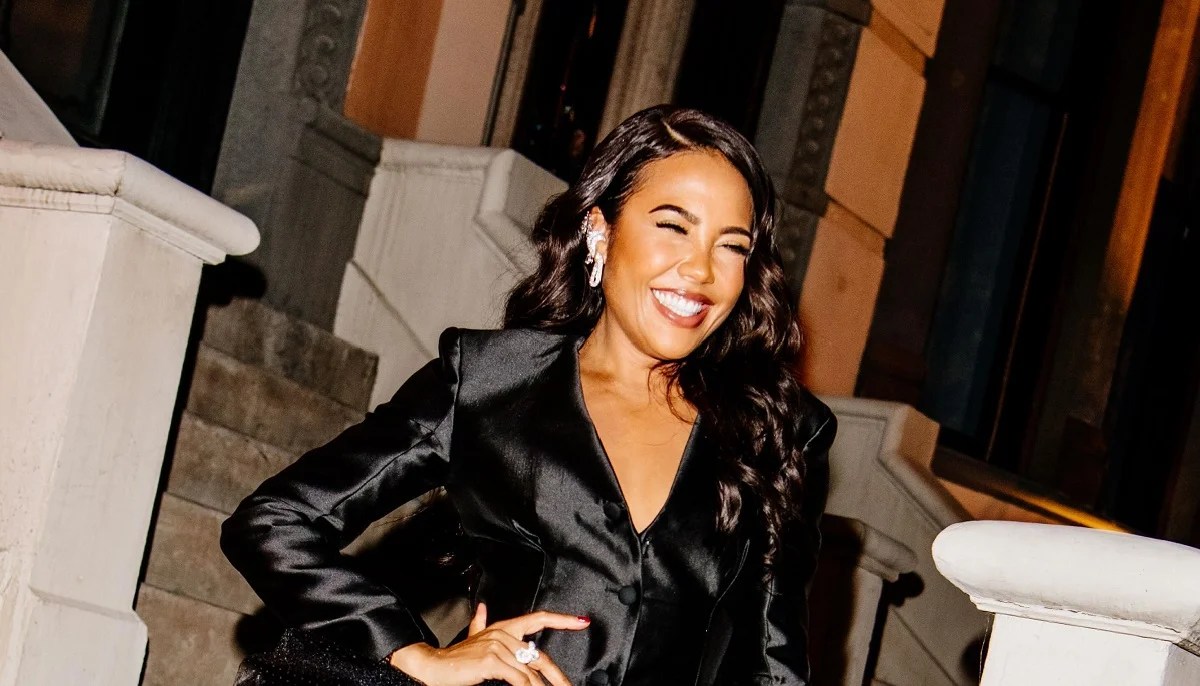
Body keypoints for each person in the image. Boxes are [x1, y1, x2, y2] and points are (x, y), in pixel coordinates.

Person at [221, 105, 837, 686]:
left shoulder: (779, 431)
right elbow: (274, 521)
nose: (701, 270)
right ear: (601, 231)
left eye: (732, 246)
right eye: (673, 227)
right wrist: (415, 655)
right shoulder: (492, 383)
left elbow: (774, 666)